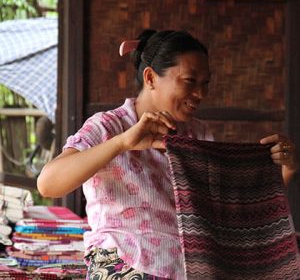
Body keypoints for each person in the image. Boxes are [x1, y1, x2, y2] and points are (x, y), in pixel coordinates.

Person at [37, 29, 299, 279]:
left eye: (205, 83)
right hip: (124, 263)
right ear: (150, 78)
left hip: (191, 268)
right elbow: (48, 184)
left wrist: (286, 168)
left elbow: (233, 212)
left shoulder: (198, 134)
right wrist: (122, 143)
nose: (200, 93)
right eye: (189, 81)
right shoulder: (108, 126)